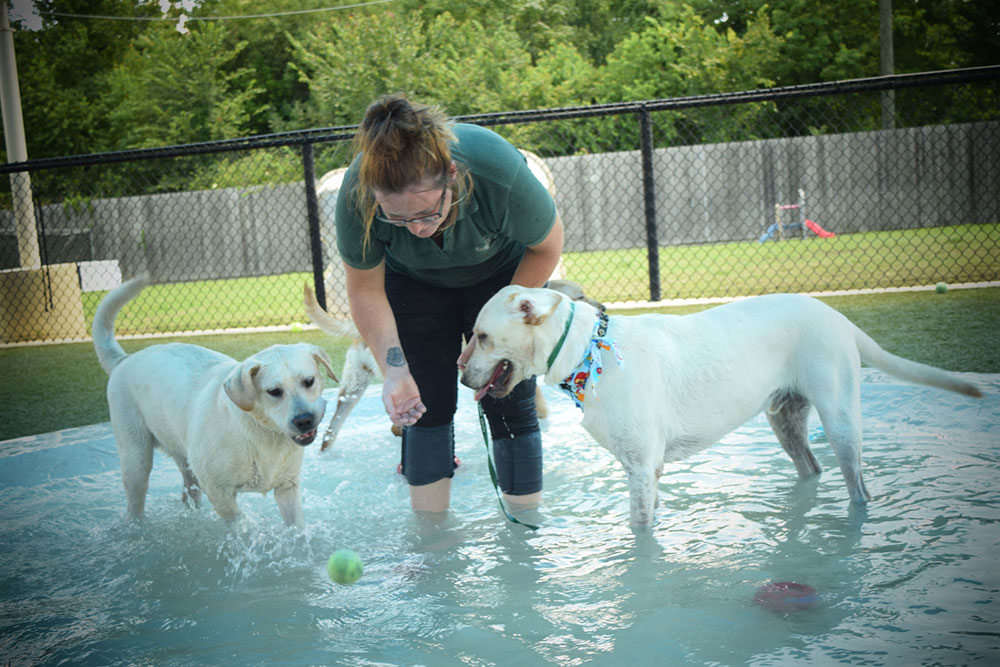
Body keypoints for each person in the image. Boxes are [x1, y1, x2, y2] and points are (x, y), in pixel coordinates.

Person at [335, 93, 564, 513]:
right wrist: (393, 370)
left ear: (452, 176)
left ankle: (524, 535)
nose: (417, 229)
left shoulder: (496, 171)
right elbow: (365, 289)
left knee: (507, 397)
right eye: (398, 220)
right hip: (413, 283)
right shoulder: (357, 195)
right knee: (421, 403)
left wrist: (498, 332)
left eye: (426, 212)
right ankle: (432, 540)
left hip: (501, 272)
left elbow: (547, 248)